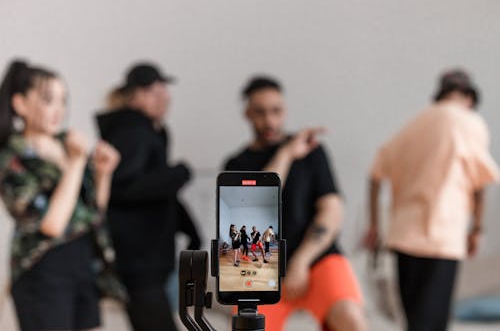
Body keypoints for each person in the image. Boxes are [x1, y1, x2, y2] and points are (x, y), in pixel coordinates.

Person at [223, 76, 366, 331]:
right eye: (260, 112)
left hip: (316, 257)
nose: (269, 121)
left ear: (285, 111)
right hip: (259, 265)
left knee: (351, 320)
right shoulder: (236, 165)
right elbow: (254, 207)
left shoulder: (313, 152)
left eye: (276, 111)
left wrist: (300, 261)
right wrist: (287, 154)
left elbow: (332, 211)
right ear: (247, 114)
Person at [363, 69, 499, 331]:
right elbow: (480, 184)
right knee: (433, 323)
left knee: (414, 321)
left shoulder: (415, 123)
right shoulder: (470, 122)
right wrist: (477, 229)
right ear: (469, 97)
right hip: (442, 236)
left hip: (403, 235)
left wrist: (374, 226)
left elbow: (375, 174)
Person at [0, 60, 123, 331]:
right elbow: (52, 225)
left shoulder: (66, 143)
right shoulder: (13, 157)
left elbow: (92, 212)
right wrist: (77, 163)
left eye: (63, 101)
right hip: (42, 270)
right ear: (20, 104)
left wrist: (104, 174)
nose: (59, 110)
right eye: (48, 100)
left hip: (81, 263)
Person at [96, 62, 201, 331]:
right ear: (137, 95)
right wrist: (178, 174)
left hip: (149, 261)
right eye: (157, 91)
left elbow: (156, 193)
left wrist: (190, 229)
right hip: (139, 263)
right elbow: (123, 188)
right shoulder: (133, 133)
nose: (165, 97)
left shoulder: (144, 132)